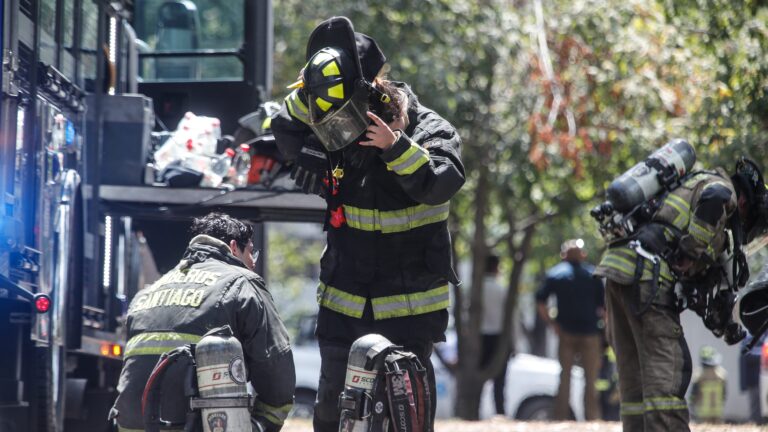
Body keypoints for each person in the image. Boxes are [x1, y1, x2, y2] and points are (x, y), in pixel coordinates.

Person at [271, 16, 465, 431]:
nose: (337, 131)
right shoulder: (337, 125)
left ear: (372, 99)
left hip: (409, 313)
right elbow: (284, 125)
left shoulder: (430, 129)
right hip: (345, 306)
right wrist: (306, 114)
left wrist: (396, 148)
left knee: (403, 417)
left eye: (344, 118)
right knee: (330, 414)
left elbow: (442, 181)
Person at [593, 157, 768, 432]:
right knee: (667, 375)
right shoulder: (721, 187)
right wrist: (690, 250)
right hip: (646, 276)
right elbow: (717, 197)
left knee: (635, 383)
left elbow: (703, 287)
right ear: (745, 204)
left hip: (619, 271)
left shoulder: (687, 189)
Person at [109, 213, 295, 432]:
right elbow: (276, 375)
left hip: (132, 426)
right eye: (251, 252)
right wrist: (260, 425)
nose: (253, 262)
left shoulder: (148, 291)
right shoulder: (243, 283)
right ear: (234, 247)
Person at [536, 239, 605, 421]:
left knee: (564, 378)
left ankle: (561, 418)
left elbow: (540, 302)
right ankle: (592, 419)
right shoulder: (593, 275)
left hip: (565, 333)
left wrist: (553, 324)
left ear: (563, 255)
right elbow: (604, 308)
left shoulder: (555, 274)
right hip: (590, 334)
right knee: (591, 380)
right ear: (583, 255)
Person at [480, 254, 510, 417]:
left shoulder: (475, 289)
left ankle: (474, 412)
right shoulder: (502, 289)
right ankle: (500, 413)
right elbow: (511, 318)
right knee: (500, 382)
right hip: (498, 338)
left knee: (478, 380)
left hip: (480, 339)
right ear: (496, 268)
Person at [689, 346, 727, 423]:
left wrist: (692, 408)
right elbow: (724, 395)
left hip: (702, 415)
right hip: (717, 413)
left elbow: (693, 396)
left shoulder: (698, 376)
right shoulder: (722, 375)